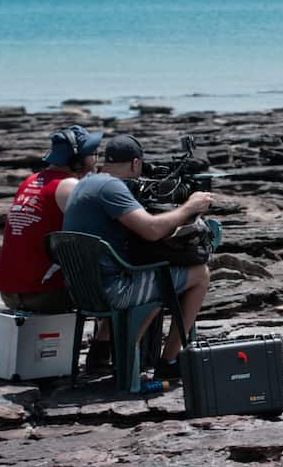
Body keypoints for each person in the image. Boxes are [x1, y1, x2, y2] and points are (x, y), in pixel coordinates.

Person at [62, 134, 213, 378]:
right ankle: (169, 362)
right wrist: (190, 207)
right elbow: (152, 230)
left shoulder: (86, 183)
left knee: (154, 273)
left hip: (83, 291)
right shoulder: (111, 187)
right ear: (135, 164)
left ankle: (102, 352)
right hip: (113, 292)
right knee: (200, 275)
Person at [0, 125, 103, 313]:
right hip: (44, 293)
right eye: (93, 153)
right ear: (77, 161)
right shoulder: (69, 186)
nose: (96, 159)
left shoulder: (30, 181)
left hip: (9, 291)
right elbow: (104, 231)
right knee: (122, 287)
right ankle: (106, 342)